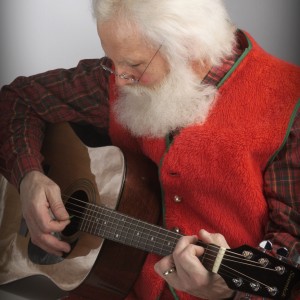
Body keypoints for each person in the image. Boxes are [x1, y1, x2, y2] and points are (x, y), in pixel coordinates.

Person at [0, 0, 299, 299]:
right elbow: (16, 101)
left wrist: (231, 293)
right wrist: (29, 177)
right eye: (112, 61)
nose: (119, 79)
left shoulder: (290, 102)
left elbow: (290, 249)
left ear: (187, 48)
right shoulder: (120, 73)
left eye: (134, 65)